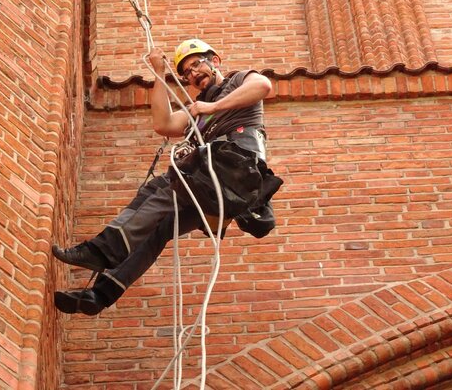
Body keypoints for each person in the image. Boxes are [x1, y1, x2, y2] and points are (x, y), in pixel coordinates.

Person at [53, 39, 282, 315]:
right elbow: (164, 124)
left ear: (215, 61)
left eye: (197, 64)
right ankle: (99, 295)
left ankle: (102, 249)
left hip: (236, 170)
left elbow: (263, 87)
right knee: (158, 224)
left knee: (168, 187)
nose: (193, 74)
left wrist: (210, 108)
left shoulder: (237, 81)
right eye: (186, 72)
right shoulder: (198, 109)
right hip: (214, 183)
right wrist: (160, 75)